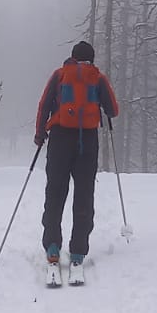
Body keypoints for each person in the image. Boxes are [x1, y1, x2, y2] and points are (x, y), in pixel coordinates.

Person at [33, 40, 119, 273]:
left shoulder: (59, 75)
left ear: (72, 57)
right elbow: (113, 110)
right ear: (91, 58)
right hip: (87, 141)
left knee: (55, 192)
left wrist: (40, 134)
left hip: (60, 138)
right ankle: (78, 250)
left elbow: (44, 105)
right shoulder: (98, 78)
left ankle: (52, 246)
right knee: (83, 194)